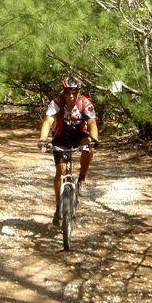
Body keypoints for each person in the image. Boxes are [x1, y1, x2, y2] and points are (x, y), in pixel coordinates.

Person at [38, 76, 99, 226]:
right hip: (61, 138)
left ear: (78, 91)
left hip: (79, 136)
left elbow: (92, 124)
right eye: (67, 92)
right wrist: (43, 140)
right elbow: (47, 122)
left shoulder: (85, 103)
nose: (71, 95)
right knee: (61, 171)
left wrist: (95, 140)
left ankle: (82, 179)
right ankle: (59, 207)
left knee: (89, 147)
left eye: (74, 92)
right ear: (63, 91)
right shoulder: (56, 103)